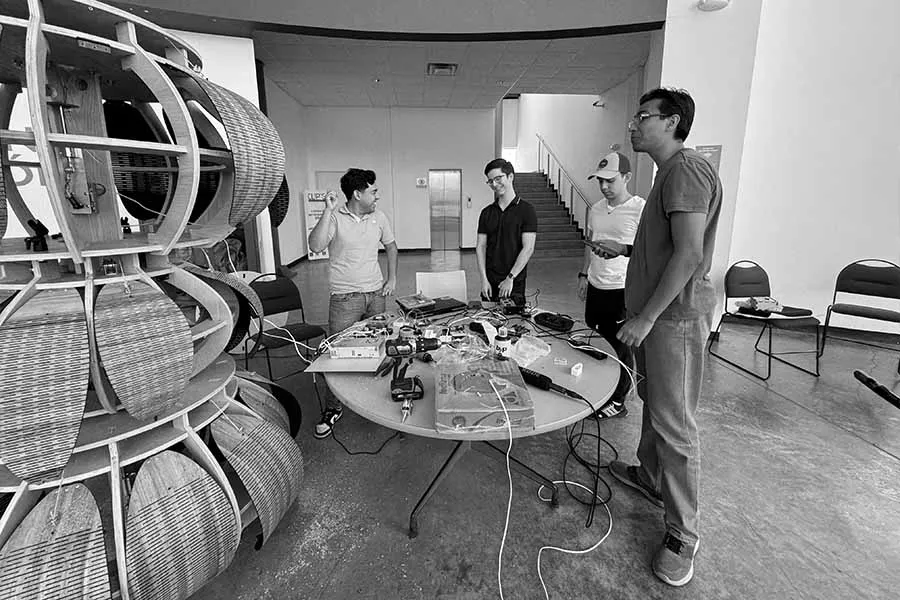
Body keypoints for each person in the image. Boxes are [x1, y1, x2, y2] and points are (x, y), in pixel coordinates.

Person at [604, 88, 722, 587]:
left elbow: (690, 254)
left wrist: (647, 318)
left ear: (672, 122)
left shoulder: (688, 170)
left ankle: (682, 535)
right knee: (654, 405)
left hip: (672, 321)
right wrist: (627, 248)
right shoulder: (668, 175)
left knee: (675, 426)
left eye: (642, 117)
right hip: (658, 318)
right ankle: (650, 478)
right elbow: (666, 246)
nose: (633, 125)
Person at [308, 168, 398, 439]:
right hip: (345, 298)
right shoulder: (335, 217)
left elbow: (391, 247)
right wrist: (327, 210)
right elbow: (315, 245)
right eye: (373, 191)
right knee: (336, 355)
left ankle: (373, 401)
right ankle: (333, 408)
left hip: (376, 296)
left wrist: (392, 278)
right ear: (358, 194)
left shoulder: (379, 217)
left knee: (378, 349)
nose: (377, 196)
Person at [577, 151, 645, 420]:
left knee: (620, 347)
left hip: (622, 290)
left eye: (610, 181)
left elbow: (647, 251)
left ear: (627, 177)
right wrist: (584, 275)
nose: (604, 187)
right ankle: (600, 391)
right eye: (600, 181)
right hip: (596, 285)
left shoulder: (640, 209)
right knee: (596, 340)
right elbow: (590, 244)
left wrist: (622, 249)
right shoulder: (595, 209)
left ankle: (618, 401)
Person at [476, 158, 537, 306]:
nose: (495, 185)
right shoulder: (486, 213)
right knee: (488, 323)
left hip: (514, 283)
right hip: (490, 282)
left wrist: (510, 278)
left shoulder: (527, 210)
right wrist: (484, 279)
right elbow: (481, 247)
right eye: (490, 181)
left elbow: (528, 248)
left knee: (513, 325)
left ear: (510, 176)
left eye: (498, 179)